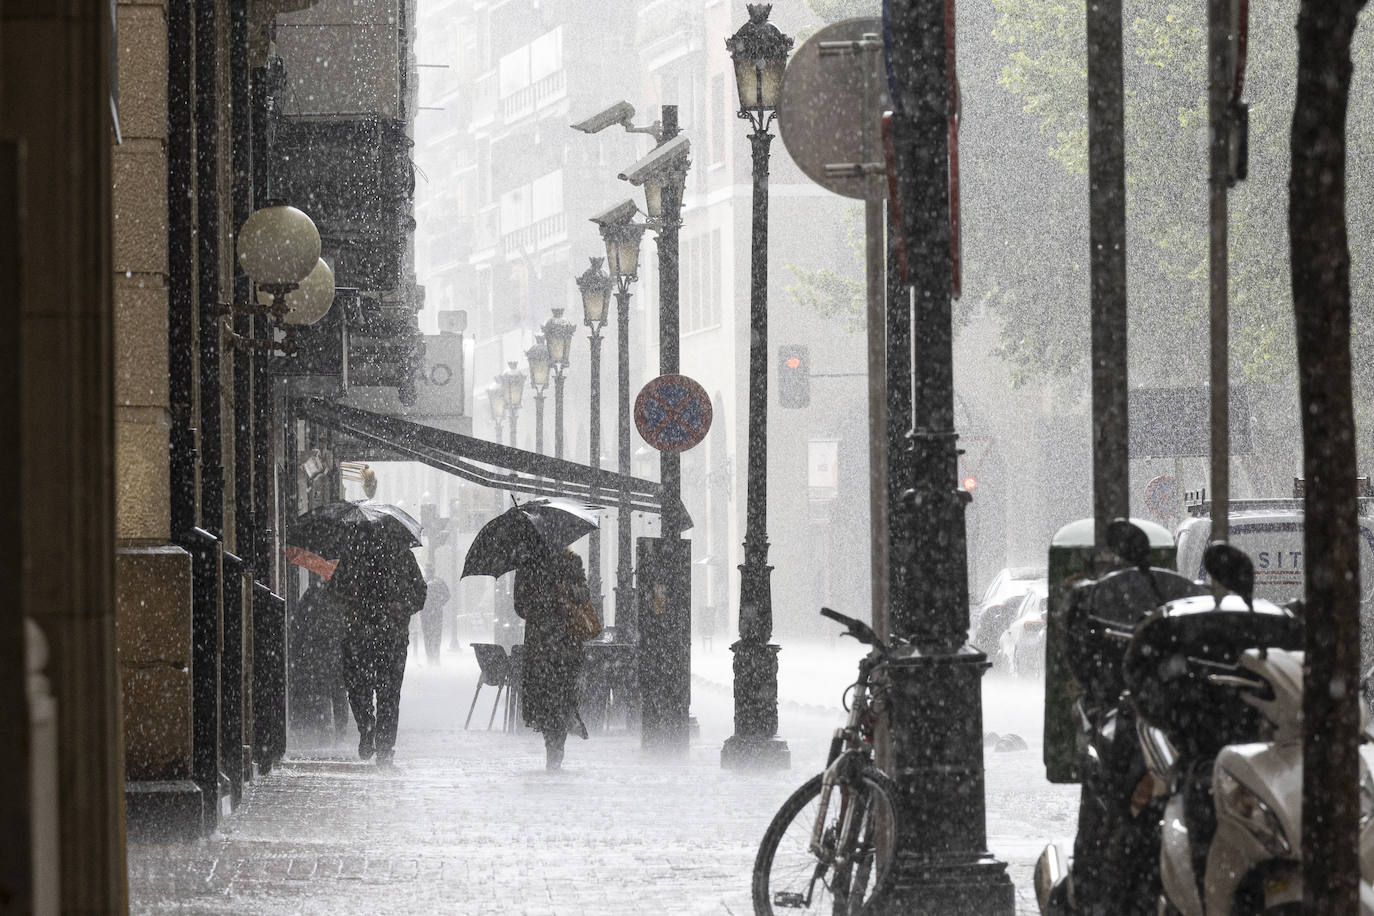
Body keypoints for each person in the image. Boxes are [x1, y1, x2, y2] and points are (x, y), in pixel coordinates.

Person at [330, 528, 427, 767]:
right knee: (361, 687)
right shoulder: (353, 557)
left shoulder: (402, 558)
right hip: (360, 635)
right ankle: (368, 728)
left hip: (387, 636)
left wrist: (403, 606)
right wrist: (348, 591)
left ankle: (383, 745)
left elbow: (420, 593)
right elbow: (333, 591)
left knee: (387, 692)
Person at [514, 544, 590, 770]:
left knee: (561, 698)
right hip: (541, 645)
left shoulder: (571, 561)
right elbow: (520, 605)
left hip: (565, 644)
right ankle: (553, 747)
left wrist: (564, 591)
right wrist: (543, 602)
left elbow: (584, 594)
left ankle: (556, 748)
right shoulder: (528, 564)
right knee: (547, 699)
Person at [419, 568, 450, 665]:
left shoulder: (422, 582)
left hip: (426, 612)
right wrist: (440, 603)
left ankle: (430, 657)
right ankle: (435, 657)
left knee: (428, 635)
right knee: (436, 635)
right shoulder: (439, 582)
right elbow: (447, 595)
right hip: (436, 612)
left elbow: (416, 596)